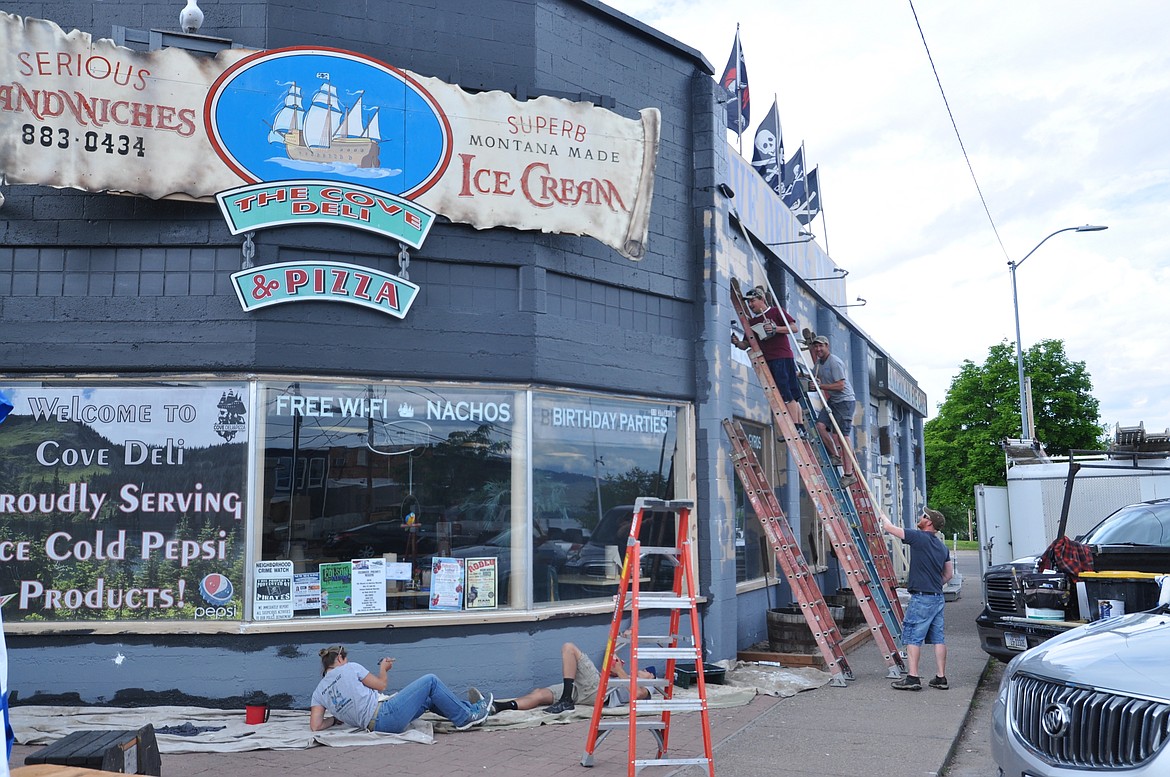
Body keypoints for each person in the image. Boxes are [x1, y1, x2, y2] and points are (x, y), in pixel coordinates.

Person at [309, 645, 492, 733]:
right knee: (431, 681)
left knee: (427, 698)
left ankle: (472, 709)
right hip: (385, 715)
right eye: (345, 659)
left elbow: (315, 726)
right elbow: (381, 685)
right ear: (340, 659)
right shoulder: (350, 668)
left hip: (373, 726)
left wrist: (334, 720)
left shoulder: (318, 693)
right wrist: (383, 668)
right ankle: (466, 718)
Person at [880, 509, 954, 691]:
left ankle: (913, 678)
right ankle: (940, 677)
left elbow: (890, 528)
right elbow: (949, 574)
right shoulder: (942, 547)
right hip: (937, 597)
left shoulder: (918, 537)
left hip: (922, 598)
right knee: (938, 638)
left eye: (924, 516)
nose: (921, 518)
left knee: (913, 636)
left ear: (929, 523)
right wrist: (935, 583)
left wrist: (881, 514)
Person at [490, 640, 656, 715]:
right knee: (540, 693)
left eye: (645, 671)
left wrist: (620, 671)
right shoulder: (627, 677)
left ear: (651, 677)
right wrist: (622, 645)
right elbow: (610, 654)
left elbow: (636, 694)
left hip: (599, 691)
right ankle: (499, 707)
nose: (641, 670)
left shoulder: (649, 686)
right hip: (588, 689)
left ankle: (566, 700)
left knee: (569, 648)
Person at [731, 286, 807, 437]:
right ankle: (800, 428)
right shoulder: (752, 322)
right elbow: (746, 344)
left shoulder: (775, 312)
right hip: (770, 360)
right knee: (789, 394)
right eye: (749, 303)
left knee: (788, 395)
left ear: (762, 299)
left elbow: (794, 328)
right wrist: (736, 342)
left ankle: (797, 428)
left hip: (782, 357)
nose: (751, 305)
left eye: (753, 301)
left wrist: (775, 328)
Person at [809, 335, 857, 485]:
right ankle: (835, 456)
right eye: (816, 347)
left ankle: (849, 474)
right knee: (820, 426)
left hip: (845, 402)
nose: (818, 349)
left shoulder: (835, 362)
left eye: (820, 346)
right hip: (833, 401)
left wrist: (820, 386)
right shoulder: (818, 363)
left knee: (843, 437)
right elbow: (813, 375)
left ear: (827, 346)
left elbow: (841, 386)